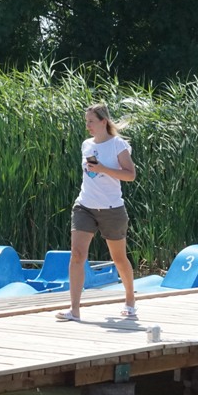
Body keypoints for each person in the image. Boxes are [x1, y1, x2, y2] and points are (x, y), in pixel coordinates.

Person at [55, 103, 137, 322]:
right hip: (85, 206)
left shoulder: (118, 144)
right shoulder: (86, 145)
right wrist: (96, 169)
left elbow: (130, 175)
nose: (87, 125)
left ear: (103, 121)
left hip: (112, 209)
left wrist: (102, 169)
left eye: (91, 121)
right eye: (86, 121)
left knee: (118, 258)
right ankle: (74, 310)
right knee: (77, 255)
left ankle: (130, 300)